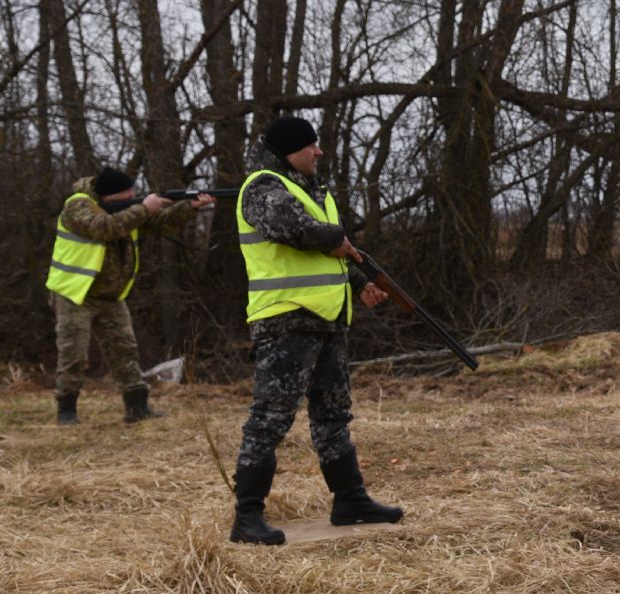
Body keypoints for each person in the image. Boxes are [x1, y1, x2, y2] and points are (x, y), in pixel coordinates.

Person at [228, 115, 402, 546]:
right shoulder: (263, 187)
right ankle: (247, 517)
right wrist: (336, 236)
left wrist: (360, 285)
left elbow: (332, 255)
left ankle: (350, 501)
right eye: (311, 146)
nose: (319, 152)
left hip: (326, 320)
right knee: (269, 420)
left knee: (332, 415)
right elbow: (295, 231)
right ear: (290, 151)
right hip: (286, 319)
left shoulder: (311, 190)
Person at [46, 165, 213, 425]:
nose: (131, 196)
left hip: (111, 296)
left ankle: (137, 407)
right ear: (108, 196)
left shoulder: (127, 210)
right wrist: (145, 207)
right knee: (73, 354)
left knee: (125, 350)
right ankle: (66, 410)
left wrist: (189, 207)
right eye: (126, 193)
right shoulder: (77, 206)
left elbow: (160, 223)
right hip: (75, 293)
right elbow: (105, 227)